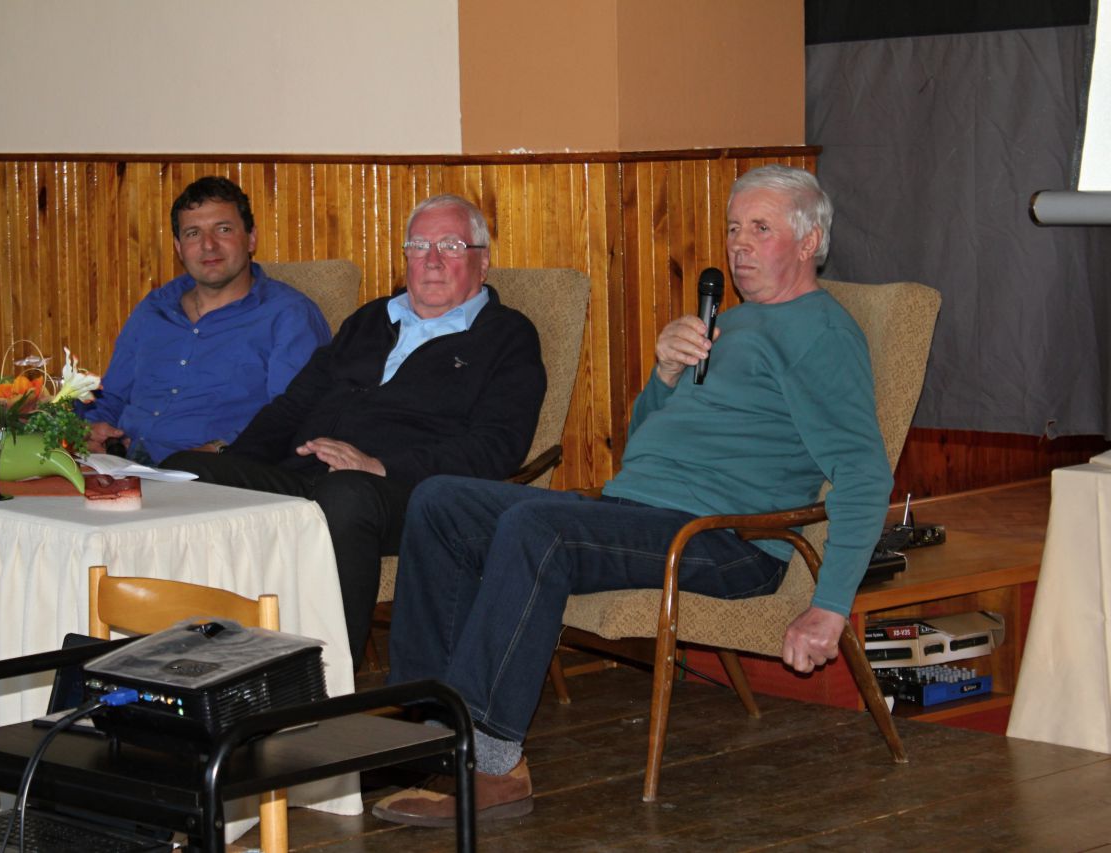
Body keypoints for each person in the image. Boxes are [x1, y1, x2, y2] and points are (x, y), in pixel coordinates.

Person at [375, 165, 893, 826]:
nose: (738, 244)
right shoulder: (725, 324)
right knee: (440, 501)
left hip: (724, 539)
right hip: (637, 512)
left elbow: (864, 473)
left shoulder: (822, 334)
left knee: (538, 528)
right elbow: (644, 445)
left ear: (809, 240)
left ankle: (495, 765)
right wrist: (665, 374)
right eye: (734, 227)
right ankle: (433, 733)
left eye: (760, 229)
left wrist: (830, 607)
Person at [163, 193, 547, 669]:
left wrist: (379, 466)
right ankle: (192, 663)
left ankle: (324, 675)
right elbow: (292, 407)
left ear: (482, 261)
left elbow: (497, 447)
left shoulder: (507, 336)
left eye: (450, 246)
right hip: (304, 475)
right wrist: (234, 461)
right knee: (185, 474)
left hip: (408, 493)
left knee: (345, 494)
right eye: (418, 245)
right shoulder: (369, 319)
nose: (431, 259)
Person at [80, 176, 330, 464]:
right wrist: (91, 429)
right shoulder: (155, 307)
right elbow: (111, 395)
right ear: (179, 247)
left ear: (251, 238)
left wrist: (219, 449)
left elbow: (293, 418)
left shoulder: (289, 316)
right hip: (121, 466)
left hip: (217, 472)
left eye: (223, 229)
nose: (208, 245)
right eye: (193, 233)